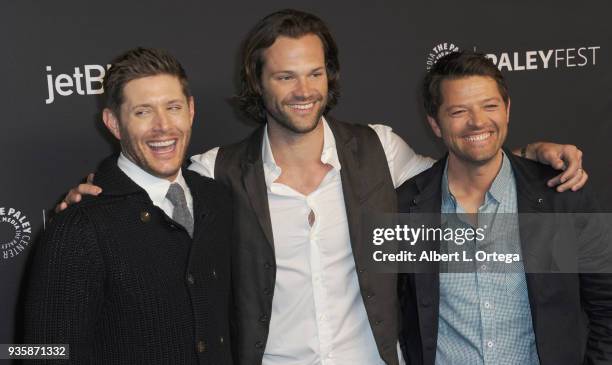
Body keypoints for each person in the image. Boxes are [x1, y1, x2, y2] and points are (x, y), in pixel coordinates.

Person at [57, 10, 588, 365]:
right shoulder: (217, 170)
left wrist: (533, 155)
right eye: (286, 76)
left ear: (329, 77)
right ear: (258, 83)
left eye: (314, 73)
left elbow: (466, 163)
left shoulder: (379, 149)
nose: (304, 90)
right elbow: (149, 192)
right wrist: (93, 204)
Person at [397, 51, 612, 365]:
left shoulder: (562, 197)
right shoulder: (406, 208)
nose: (478, 122)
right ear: (435, 124)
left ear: (507, 109)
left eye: (490, 106)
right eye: (458, 111)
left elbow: (608, 307)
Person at [24, 48, 234, 364]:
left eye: (173, 107)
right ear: (113, 123)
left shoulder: (218, 201)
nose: (163, 126)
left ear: (190, 110)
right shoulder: (79, 228)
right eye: (142, 112)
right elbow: (41, 354)